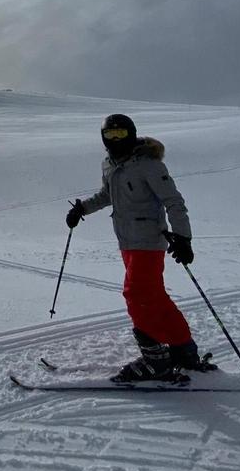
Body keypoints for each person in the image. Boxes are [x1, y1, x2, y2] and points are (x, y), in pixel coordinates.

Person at [66, 113, 213, 382]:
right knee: (155, 297)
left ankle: (156, 360)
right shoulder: (109, 164)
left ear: (131, 135)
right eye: (110, 135)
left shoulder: (149, 165)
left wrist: (183, 238)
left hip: (149, 240)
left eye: (121, 134)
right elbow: (107, 195)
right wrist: (82, 209)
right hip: (126, 240)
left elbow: (174, 201)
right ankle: (184, 351)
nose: (115, 140)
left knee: (136, 295)